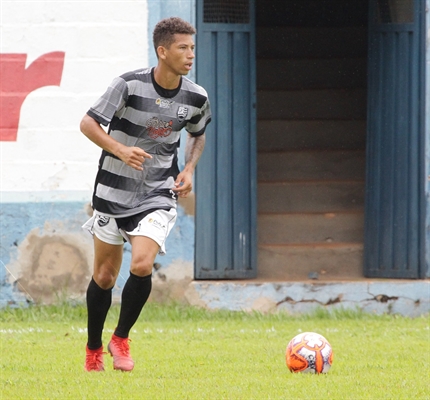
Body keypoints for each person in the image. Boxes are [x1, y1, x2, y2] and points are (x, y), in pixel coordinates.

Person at [80, 17, 211, 372]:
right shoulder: (127, 85)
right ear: (162, 51)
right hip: (112, 189)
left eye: (193, 48)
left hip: (157, 191)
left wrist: (188, 169)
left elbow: (198, 132)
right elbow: (88, 123)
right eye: (183, 48)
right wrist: (120, 150)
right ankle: (93, 348)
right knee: (105, 276)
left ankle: (120, 338)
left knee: (141, 264)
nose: (190, 55)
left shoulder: (196, 96)